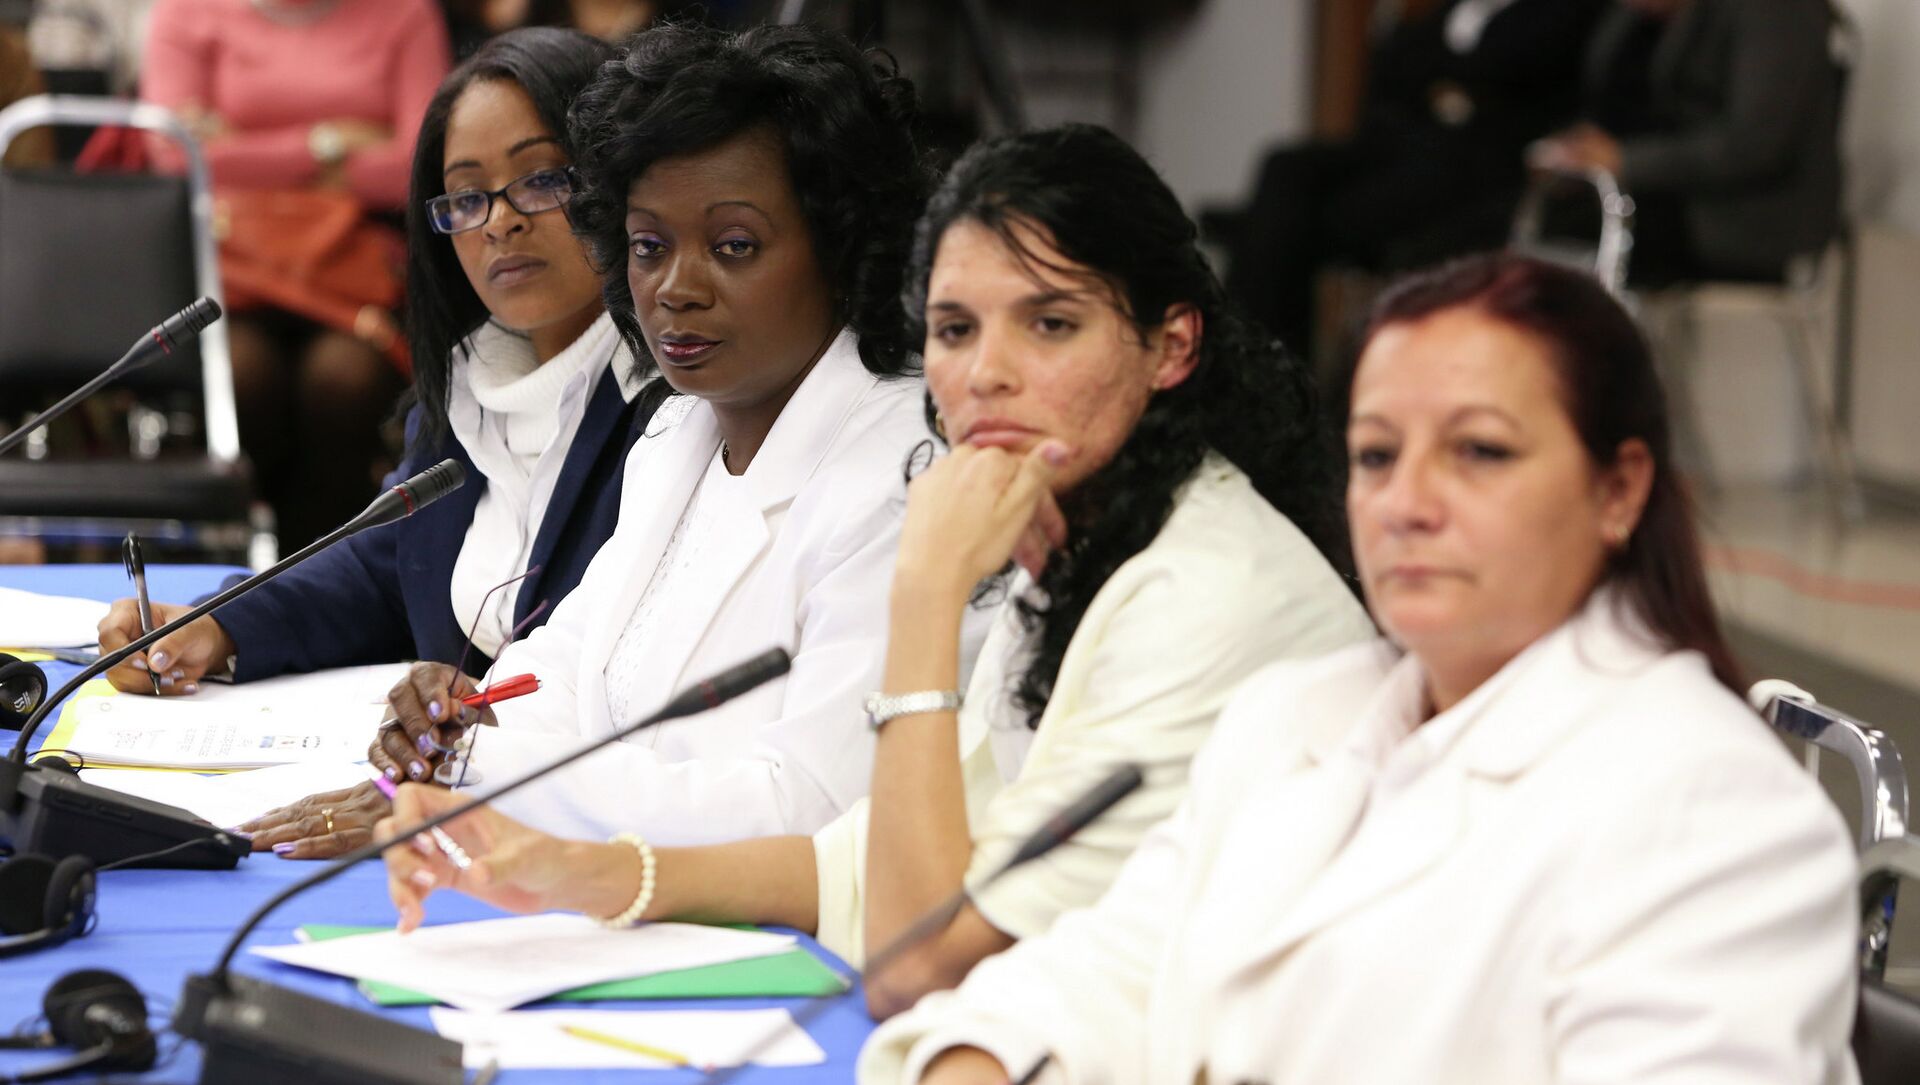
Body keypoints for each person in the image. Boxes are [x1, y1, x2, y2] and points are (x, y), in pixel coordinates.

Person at [375, 123, 1374, 1021]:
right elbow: (857, 862)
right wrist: (574, 872)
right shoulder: (1091, 533)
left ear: (1172, 345)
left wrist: (926, 595)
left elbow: (916, 956)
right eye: (956, 328)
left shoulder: (1199, 593)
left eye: (1051, 324)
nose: (987, 373)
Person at [865, 253, 1858, 1084]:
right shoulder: (1296, 714)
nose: (1407, 502)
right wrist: (972, 1062)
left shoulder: (1718, 814)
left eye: (1480, 451)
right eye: (1378, 456)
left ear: (1619, 490)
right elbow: (1101, 975)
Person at [267, 20, 942, 859]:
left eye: (734, 246)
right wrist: (460, 725)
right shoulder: (681, 427)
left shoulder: (906, 475)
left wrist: (482, 780)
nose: (675, 288)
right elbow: (568, 669)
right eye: (648, 245)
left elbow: (807, 807)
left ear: (844, 245)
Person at [96, 28, 648, 852]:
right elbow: (387, 566)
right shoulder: (469, 382)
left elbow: (623, 673)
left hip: (564, 831)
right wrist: (216, 628)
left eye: (540, 180)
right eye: (467, 196)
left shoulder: (672, 405)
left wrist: (453, 774)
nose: (499, 222)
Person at [139, 0, 452, 549]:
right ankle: (238, 558)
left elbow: (419, 163)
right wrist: (325, 144)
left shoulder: (406, 14)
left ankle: (320, 563)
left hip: (351, 279)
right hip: (233, 277)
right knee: (240, 378)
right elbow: (175, 156)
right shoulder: (187, 13)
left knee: (344, 382)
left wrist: (239, 148)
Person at [1220, 0, 1605, 357]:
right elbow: (1394, 73)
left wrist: (1447, 87)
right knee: (1285, 168)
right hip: (1402, 150)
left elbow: (1519, 75)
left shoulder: (1562, 10)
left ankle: (1272, 370)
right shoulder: (1443, 11)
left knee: (1285, 229)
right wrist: (1453, 89)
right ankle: (1247, 360)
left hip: (1480, 169)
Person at [1528, 0, 1843, 284]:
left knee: (1557, 247)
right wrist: (1580, 151)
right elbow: (1620, 97)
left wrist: (1622, 160)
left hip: (1734, 218)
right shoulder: (1637, 19)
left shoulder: (1778, 10)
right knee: (1534, 218)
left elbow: (1753, 145)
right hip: (1654, 200)